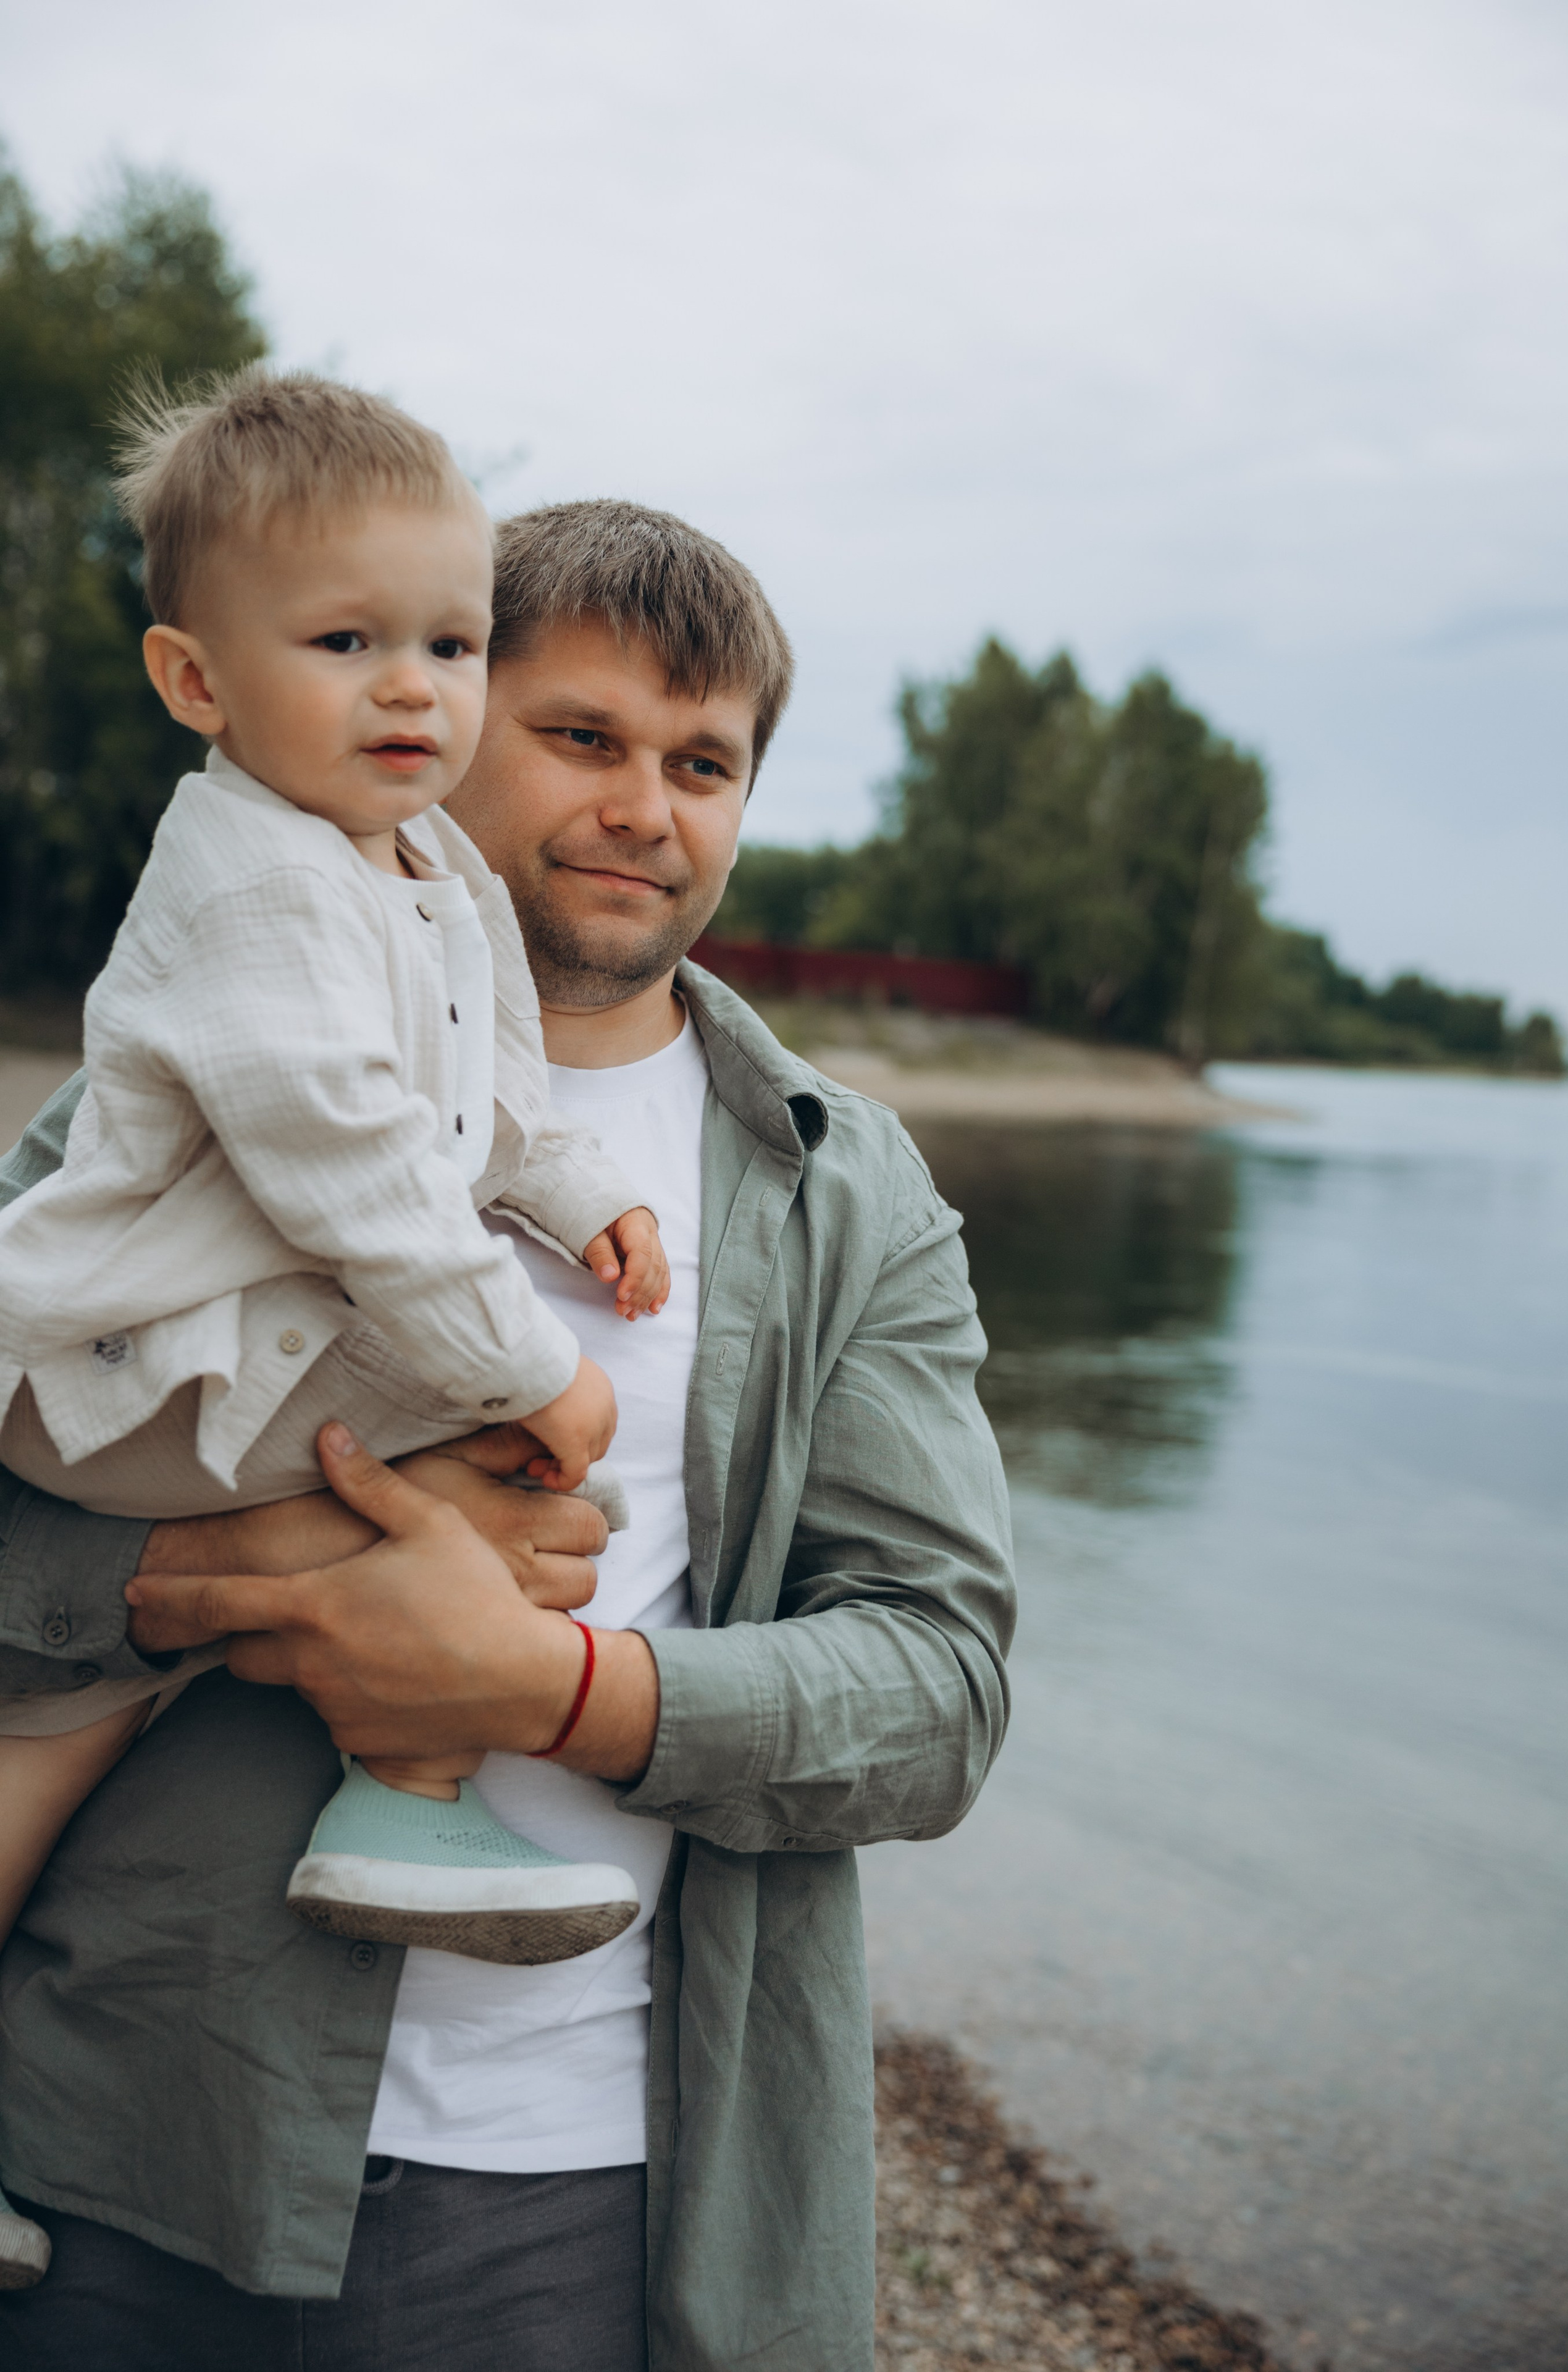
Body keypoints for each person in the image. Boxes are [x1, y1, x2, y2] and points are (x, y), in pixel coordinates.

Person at [0, 497, 1016, 2371]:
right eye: (583, 737)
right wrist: (251, 1571)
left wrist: (552, 1689)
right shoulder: (198, 1073)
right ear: (452, 729)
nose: (646, 808)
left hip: (582, 2193)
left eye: (702, 764)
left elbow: (940, 1694)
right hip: (136, 2123)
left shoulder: (849, 1193)